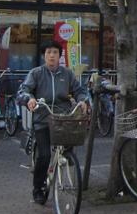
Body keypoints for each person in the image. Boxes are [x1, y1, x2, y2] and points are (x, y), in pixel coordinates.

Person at [18, 40, 90, 204]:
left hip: (63, 120)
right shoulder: (36, 73)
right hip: (42, 120)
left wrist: (82, 101)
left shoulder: (67, 74)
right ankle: (38, 188)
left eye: (55, 52)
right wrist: (30, 99)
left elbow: (79, 91)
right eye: (49, 52)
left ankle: (62, 166)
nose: (52, 55)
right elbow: (23, 91)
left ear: (59, 56)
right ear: (44, 56)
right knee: (44, 155)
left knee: (68, 151)